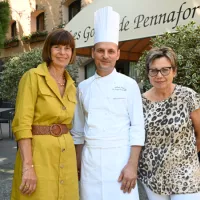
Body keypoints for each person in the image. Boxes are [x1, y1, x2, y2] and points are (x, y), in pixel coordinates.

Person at [71, 6, 145, 200]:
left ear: (118, 54)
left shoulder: (129, 85)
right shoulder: (83, 87)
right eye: (101, 50)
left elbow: (137, 128)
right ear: (93, 52)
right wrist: (78, 165)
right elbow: (78, 130)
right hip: (90, 162)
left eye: (110, 51)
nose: (106, 55)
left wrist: (132, 165)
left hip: (121, 160)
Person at [11, 29, 79, 200]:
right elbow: (22, 124)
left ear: (72, 53)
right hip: (39, 155)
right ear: (49, 50)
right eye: (57, 47)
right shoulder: (32, 77)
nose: (62, 53)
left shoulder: (72, 85)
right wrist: (28, 166)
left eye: (67, 48)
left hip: (66, 153)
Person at [138, 47, 200, 200]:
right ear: (148, 73)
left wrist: (188, 157)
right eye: (154, 70)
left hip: (185, 173)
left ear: (174, 71)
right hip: (152, 175)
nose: (159, 75)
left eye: (165, 70)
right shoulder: (140, 102)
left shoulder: (188, 96)